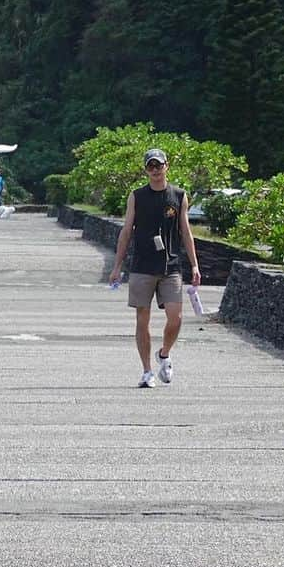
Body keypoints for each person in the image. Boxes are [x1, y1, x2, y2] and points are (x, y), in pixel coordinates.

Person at [108, 148, 201, 388]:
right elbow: (126, 232)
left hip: (170, 266)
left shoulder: (179, 196)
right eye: (151, 166)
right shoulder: (137, 196)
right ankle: (147, 371)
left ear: (167, 166)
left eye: (159, 165)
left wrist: (194, 265)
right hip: (142, 266)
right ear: (145, 170)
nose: (155, 170)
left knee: (176, 317)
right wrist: (117, 266)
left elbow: (186, 232)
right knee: (142, 319)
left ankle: (164, 353)